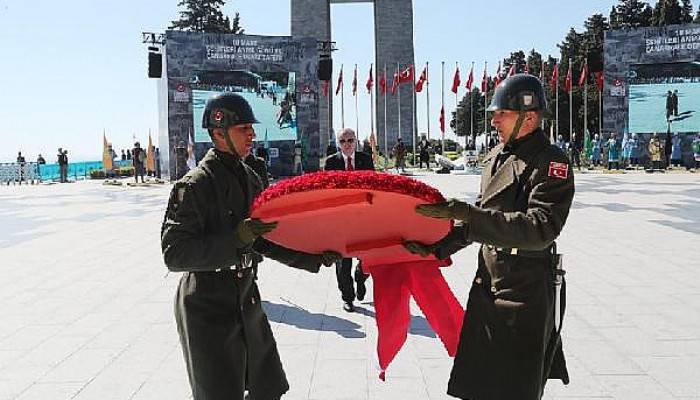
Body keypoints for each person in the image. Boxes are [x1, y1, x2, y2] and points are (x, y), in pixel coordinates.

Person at [161, 92, 340, 400]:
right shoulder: (194, 185)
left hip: (245, 297)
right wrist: (236, 240)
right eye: (243, 128)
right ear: (218, 133)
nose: (252, 134)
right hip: (206, 303)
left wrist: (312, 255)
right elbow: (175, 254)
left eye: (250, 128)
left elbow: (266, 239)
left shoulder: (250, 178)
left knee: (268, 387)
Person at [404, 74, 573, 400]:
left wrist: (469, 214)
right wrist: (434, 247)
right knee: (478, 385)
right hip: (489, 284)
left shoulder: (551, 162)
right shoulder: (497, 156)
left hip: (524, 290)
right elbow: (480, 219)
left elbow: (540, 229)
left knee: (512, 389)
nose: (493, 119)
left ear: (530, 117)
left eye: (502, 113)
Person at [324, 127, 374, 312]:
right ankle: (347, 297)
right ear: (338, 143)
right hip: (340, 219)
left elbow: (373, 185)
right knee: (342, 260)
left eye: (350, 140)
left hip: (363, 217)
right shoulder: (331, 162)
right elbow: (326, 189)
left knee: (366, 255)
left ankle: (361, 277)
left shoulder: (365, 159)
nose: (347, 144)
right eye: (343, 141)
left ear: (356, 141)